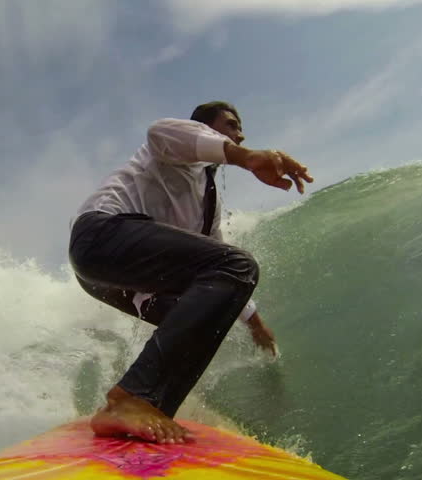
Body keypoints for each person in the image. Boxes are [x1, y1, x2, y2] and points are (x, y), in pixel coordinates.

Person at [68, 101, 313, 444]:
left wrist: (254, 322)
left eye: (240, 129)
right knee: (239, 264)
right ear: (206, 127)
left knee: (208, 314)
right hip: (101, 236)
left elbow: (221, 268)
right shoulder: (172, 143)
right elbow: (161, 132)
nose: (240, 134)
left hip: (115, 280)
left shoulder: (207, 203)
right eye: (231, 124)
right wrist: (247, 157)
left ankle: (150, 408)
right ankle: (130, 398)